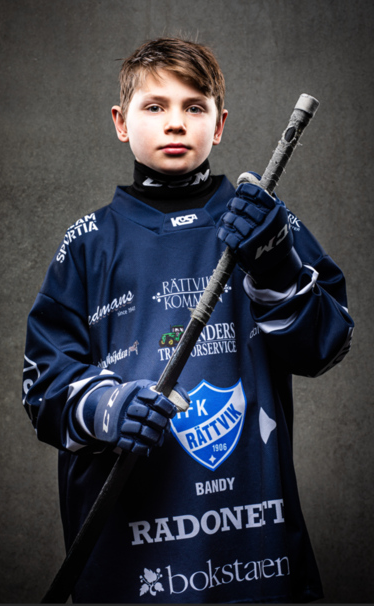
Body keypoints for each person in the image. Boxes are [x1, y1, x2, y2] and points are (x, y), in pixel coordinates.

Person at [22, 37, 354, 603]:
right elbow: (42, 386)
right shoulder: (86, 244)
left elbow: (328, 344)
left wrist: (276, 264)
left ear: (219, 125)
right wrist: (109, 406)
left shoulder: (266, 223)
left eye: (194, 107)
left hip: (259, 554)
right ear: (120, 122)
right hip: (135, 564)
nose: (175, 122)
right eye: (155, 106)